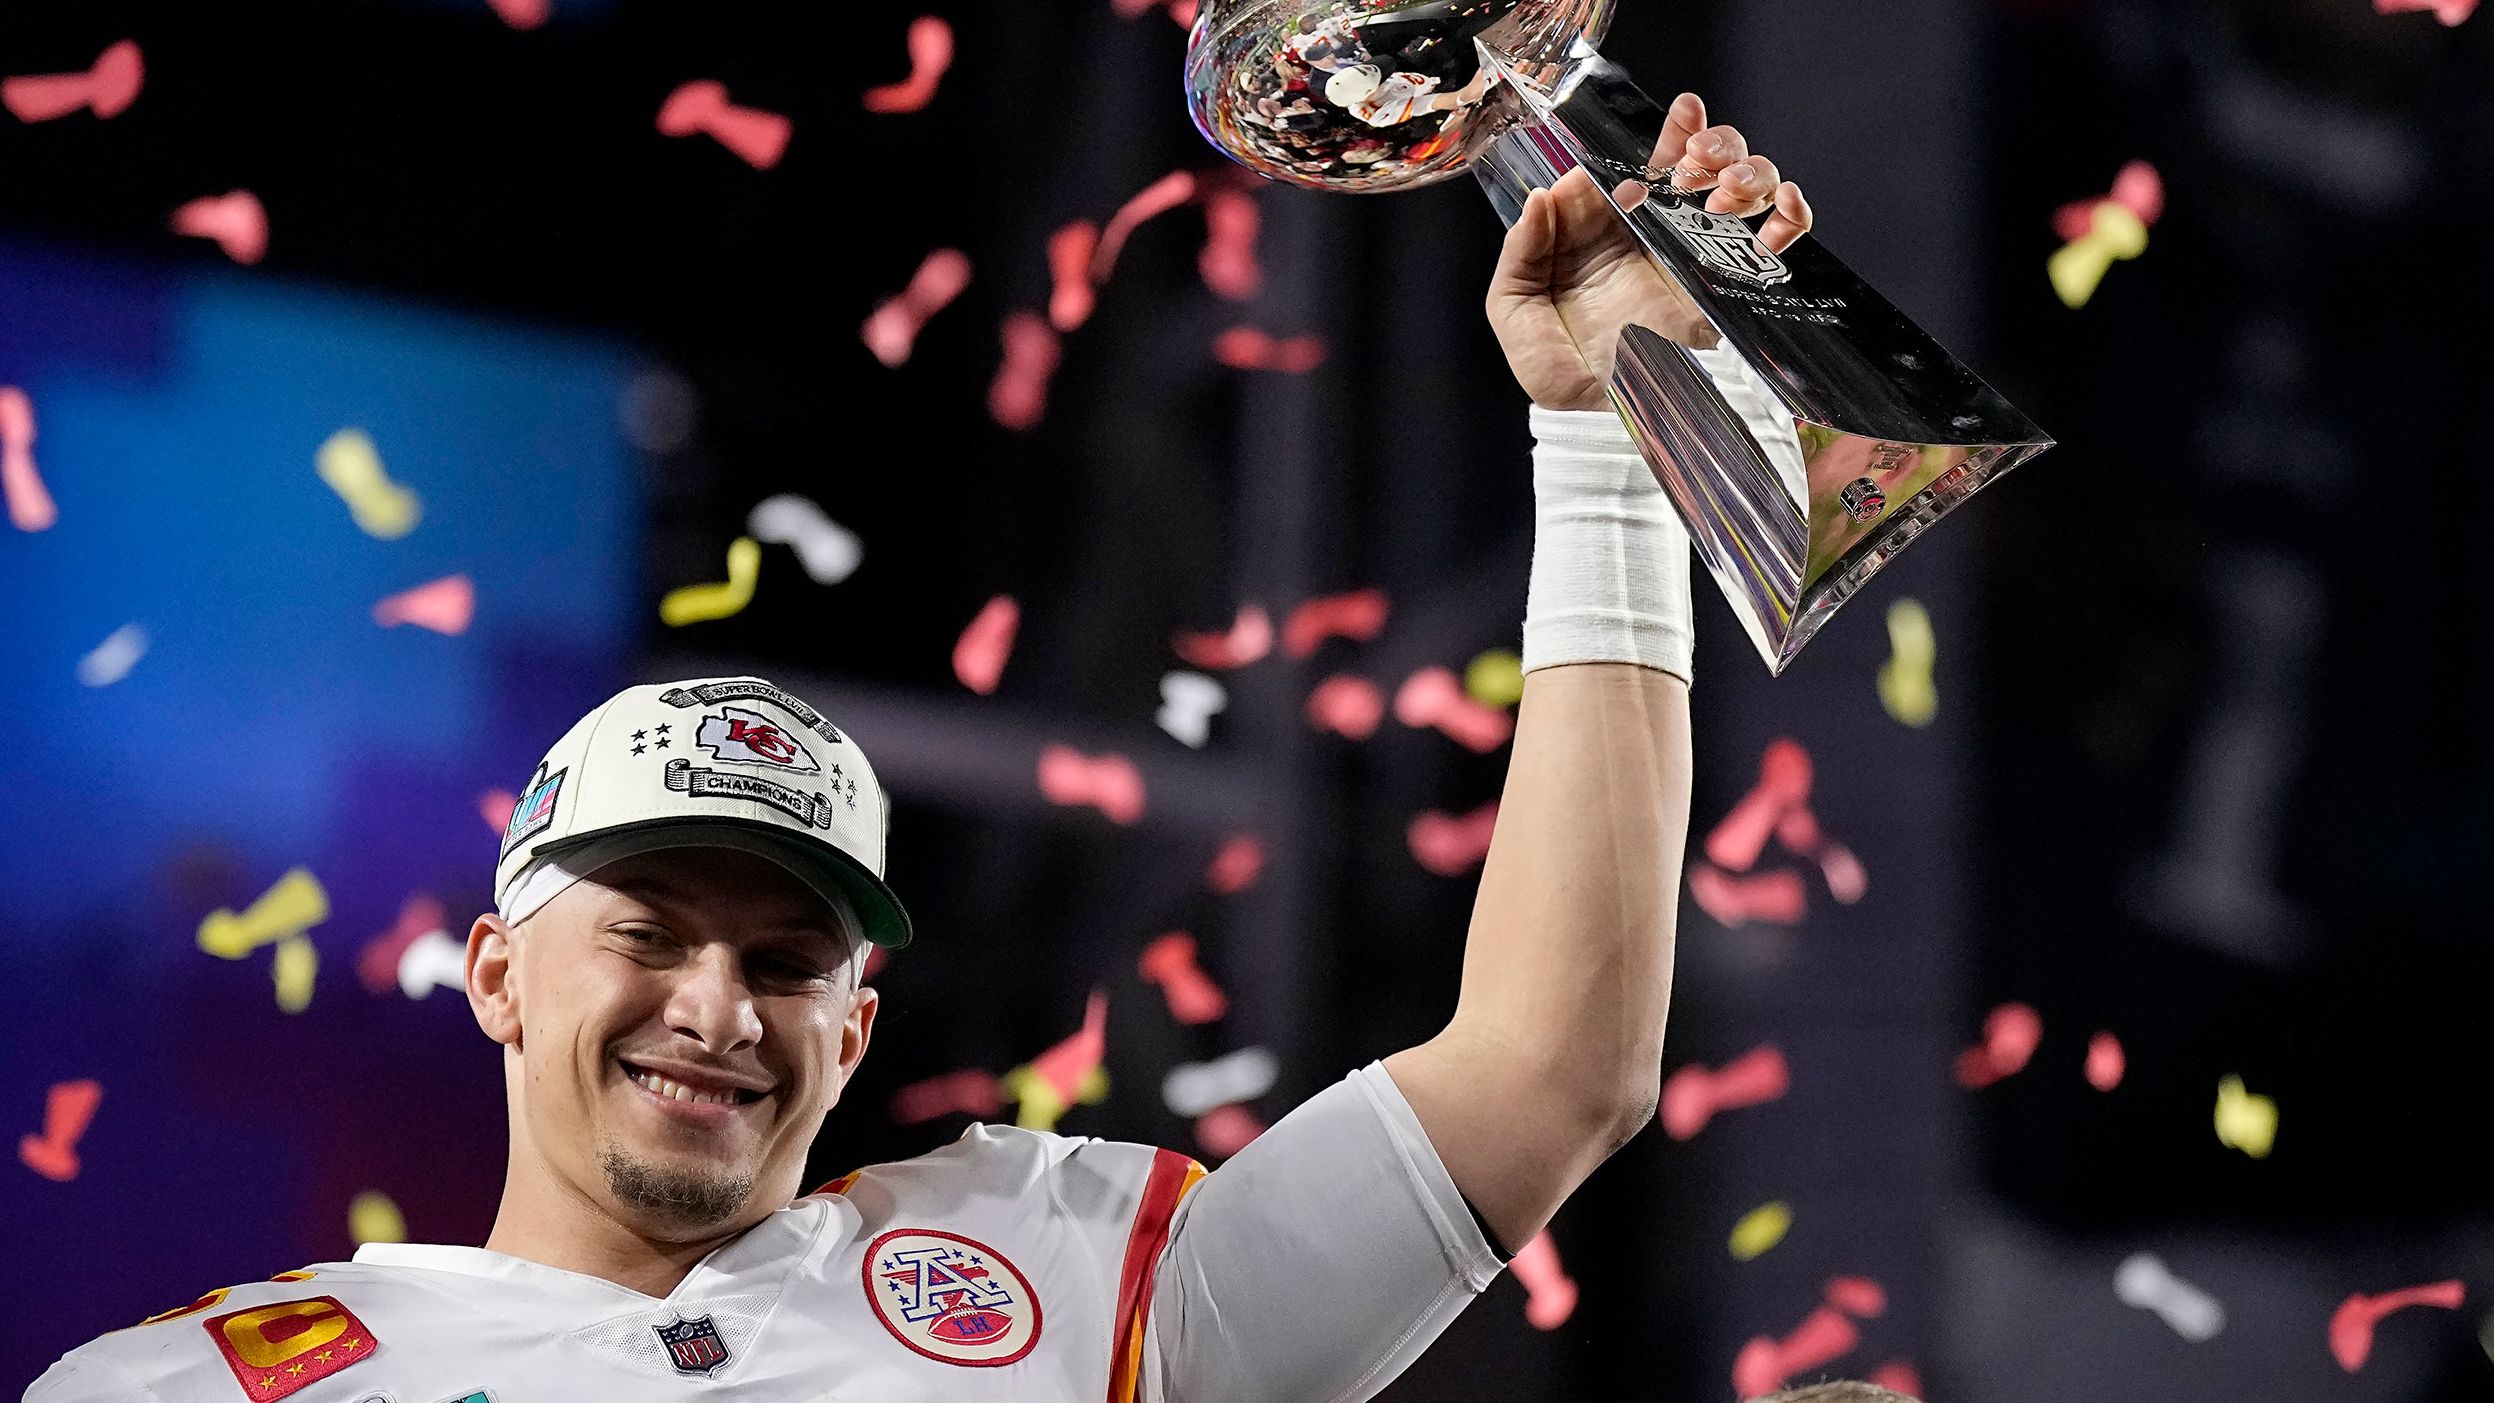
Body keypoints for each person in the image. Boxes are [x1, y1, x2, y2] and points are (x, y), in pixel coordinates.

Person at [26, 95, 1814, 1403]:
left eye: (787, 959)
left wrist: (1598, 444)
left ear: (856, 1028)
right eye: (649, 934)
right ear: (496, 974)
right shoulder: (190, 1392)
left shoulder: (1052, 1264)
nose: (717, 1007)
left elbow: (1550, 1070)